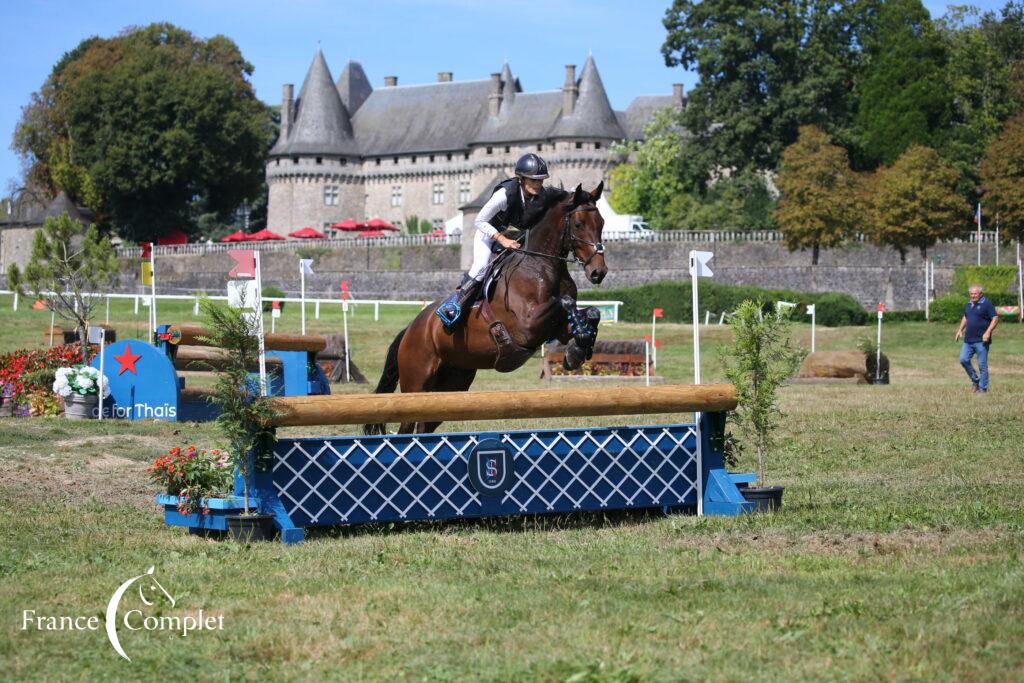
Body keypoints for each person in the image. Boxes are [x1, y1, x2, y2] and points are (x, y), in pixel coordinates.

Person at [435, 153, 549, 332]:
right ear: (521, 179)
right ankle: (454, 306)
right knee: (480, 269)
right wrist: (502, 239)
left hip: (513, 236)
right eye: (534, 180)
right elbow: (479, 221)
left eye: (541, 180)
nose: (538, 184)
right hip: (487, 234)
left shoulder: (541, 196)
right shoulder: (505, 194)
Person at [955, 284, 999, 393]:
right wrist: (960, 330)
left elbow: (995, 318)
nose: (973, 295)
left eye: (975, 293)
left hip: (982, 341)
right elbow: (966, 317)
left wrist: (988, 332)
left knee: (982, 365)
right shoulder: (969, 304)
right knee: (963, 360)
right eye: (971, 294)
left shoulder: (987, 303)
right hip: (968, 340)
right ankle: (975, 381)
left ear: (980, 294)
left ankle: (983, 389)